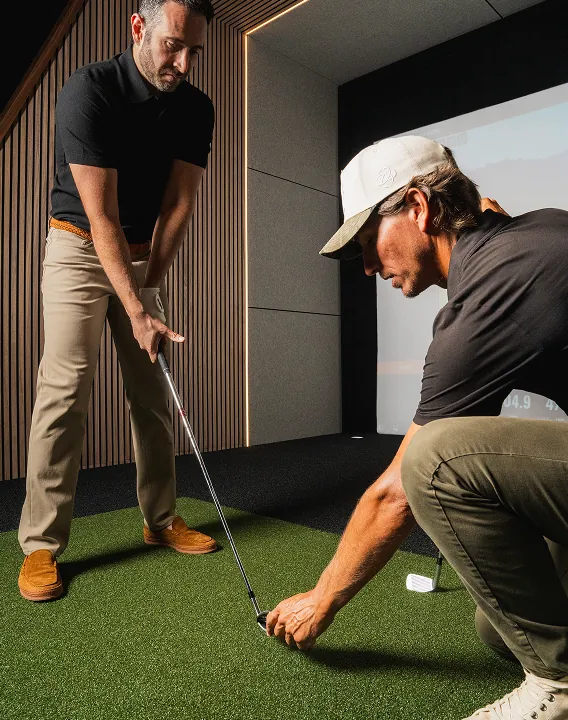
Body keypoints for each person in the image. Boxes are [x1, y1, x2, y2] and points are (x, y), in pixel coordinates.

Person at [266, 135, 568, 719]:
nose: (368, 266)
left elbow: (397, 492)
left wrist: (321, 599)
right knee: (503, 626)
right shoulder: (537, 235)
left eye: (366, 243)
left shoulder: (490, 297)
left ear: (419, 209)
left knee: (433, 460)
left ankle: (559, 686)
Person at [17, 0, 219, 603]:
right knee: (65, 386)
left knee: (152, 391)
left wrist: (149, 287)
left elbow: (178, 205)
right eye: (171, 46)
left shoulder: (196, 108)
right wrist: (135, 307)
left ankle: (161, 520)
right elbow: (100, 215)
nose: (182, 63)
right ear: (139, 28)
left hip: (139, 253)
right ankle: (42, 546)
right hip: (79, 245)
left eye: (193, 52)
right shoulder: (90, 90)